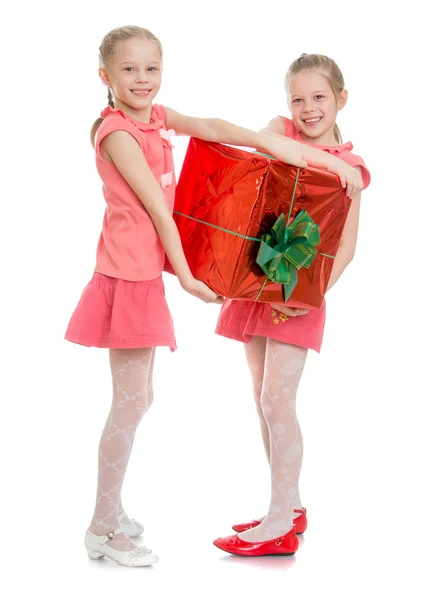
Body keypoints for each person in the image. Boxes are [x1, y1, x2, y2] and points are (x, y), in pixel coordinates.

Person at [65, 29, 361, 567]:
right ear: (106, 76)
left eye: (151, 68)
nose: (143, 80)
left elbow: (221, 130)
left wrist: (333, 163)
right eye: (130, 70)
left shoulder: (154, 120)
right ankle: (103, 524)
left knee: (144, 401)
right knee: (134, 404)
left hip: (170, 281)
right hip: (131, 280)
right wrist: (188, 275)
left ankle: (275, 512)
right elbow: (160, 210)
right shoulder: (120, 134)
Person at [213, 53, 371, 557]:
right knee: (262, 396)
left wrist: (313, 296)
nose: (307, 108)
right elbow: (264, 151)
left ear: (341, 99)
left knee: (277, 401)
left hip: (298, 297)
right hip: (258, 281)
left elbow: (345, 248)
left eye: (319, 97)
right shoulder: (283, 131)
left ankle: (280, 522)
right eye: (298, 98)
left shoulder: (353, 169)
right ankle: (290, 504)